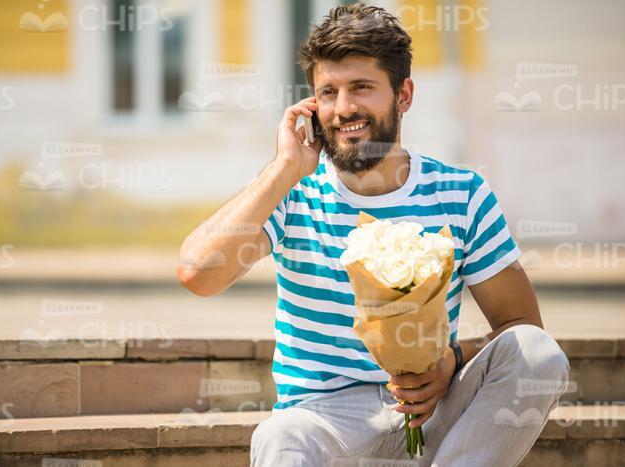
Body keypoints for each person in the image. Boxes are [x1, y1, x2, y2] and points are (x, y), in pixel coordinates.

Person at [178, 3, 570, 466]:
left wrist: (452, 361)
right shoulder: (292, 192)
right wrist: (284, 168)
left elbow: (520, 327)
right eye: (328, 92)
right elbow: (197, 273)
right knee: (280, 437)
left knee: (538, 355)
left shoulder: (461, 194)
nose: (344, 109)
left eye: (361, 87)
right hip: (325, 423)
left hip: (435, 417)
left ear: (403, 95)